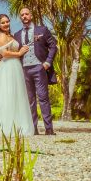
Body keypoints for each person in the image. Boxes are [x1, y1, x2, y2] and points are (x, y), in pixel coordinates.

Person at [13, 7, 58, 135]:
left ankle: (49, 129)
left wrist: (47, 62)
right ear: (20, 17)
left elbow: (53, 46)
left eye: (26, 14)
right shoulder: (16, 35)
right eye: (22, 15)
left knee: (43, 98)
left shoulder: (42, 30)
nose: (24, 16)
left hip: (39, 67)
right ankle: (33, 129)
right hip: (24, 69)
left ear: (31, 15)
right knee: (30, 100)